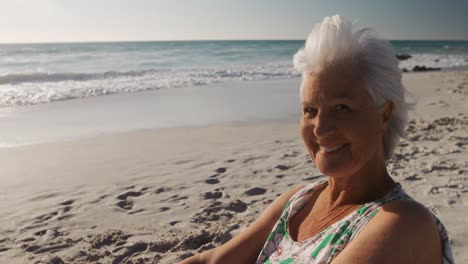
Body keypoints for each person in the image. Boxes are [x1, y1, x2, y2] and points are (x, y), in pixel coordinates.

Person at [180, 15, 454, 264]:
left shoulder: (403, 224)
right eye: (310, 110)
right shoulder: (298, 201)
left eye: (342, 108)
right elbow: (213, 260)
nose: (320, 129)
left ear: (384, 115)